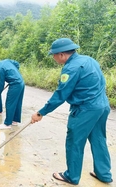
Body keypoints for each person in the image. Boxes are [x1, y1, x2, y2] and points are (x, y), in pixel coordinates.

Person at [31, 38, 113, 185]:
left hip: (85, 109)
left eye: (54, 55)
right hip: (102, 105)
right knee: (99, 139)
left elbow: (61, 94)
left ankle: (72, 176)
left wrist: (40, 113)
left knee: (75, 141)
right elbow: (101, 81)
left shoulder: (70, 68)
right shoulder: (89, 60)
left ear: (61, 54)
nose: (54, 58)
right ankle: (104, 174)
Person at [0, 57, 25, 130]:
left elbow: (1, 84)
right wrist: (14, 73)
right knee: (17, 103)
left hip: (15, 84)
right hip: (21, 82)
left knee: (9, 103)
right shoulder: (6, 61)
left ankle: (7, 124)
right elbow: (16, 64)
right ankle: (15, 120)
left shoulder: (0, 69)